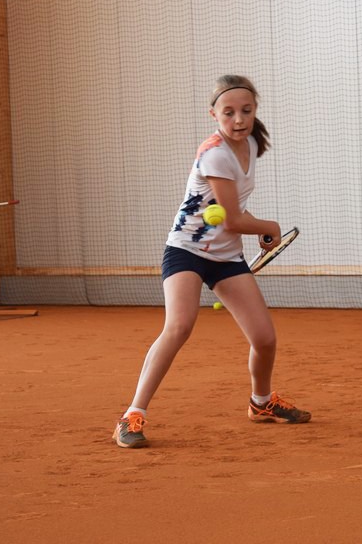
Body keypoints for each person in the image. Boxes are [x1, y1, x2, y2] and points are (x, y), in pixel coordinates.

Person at [113, 75, 311, 448]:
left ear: (255, 110)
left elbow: (234, 212)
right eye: (229, 113)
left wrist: (253, 228)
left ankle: (262, 403)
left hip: (225, 256)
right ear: (214, 114)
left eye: (246, 111)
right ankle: (132, 415)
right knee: (179, 326)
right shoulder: (215, 153)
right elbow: (233, 218)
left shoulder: (251, 145)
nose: (239, 120)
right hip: (186, 250)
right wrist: (268, 226)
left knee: (265, 339)